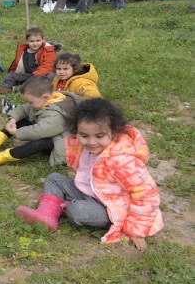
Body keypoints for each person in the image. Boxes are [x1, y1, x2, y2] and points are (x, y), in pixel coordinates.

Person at [14, 98, 163, 251]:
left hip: (112, 208)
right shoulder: (82, 146)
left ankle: (60, 207)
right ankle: (46, 215)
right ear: (76, 131)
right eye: (84, 135)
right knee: (55, 179)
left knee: (76, 210)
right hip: (90, 193)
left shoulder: (122, 160)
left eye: (99, 136)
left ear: (114, 132)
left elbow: (147, 194)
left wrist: (136, 230)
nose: (91, 142)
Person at [0, 75, 81, 168]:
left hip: (63, 145)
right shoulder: (46, 100)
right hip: (51, 133)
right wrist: (13, 118)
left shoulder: (57, 114)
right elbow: (25, 109)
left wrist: (17, 133)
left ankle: (3, 157)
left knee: (40, 143)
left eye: (31, 102)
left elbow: (38, 131)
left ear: (46, 97)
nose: (29, 104)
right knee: (22, 119)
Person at [0, 27, 57, 94]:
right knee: (11, 75)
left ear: (43, 39)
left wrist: (34, 77)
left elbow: (48, 66)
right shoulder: (24, 50)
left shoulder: (48, 50)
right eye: (32, 41)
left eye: (38, 40)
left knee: (49, 77)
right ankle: (6, 86)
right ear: (27, 41)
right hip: (29, 75)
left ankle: (18, 88)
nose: (35, 43)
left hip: (41, 76)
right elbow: (17, 65)